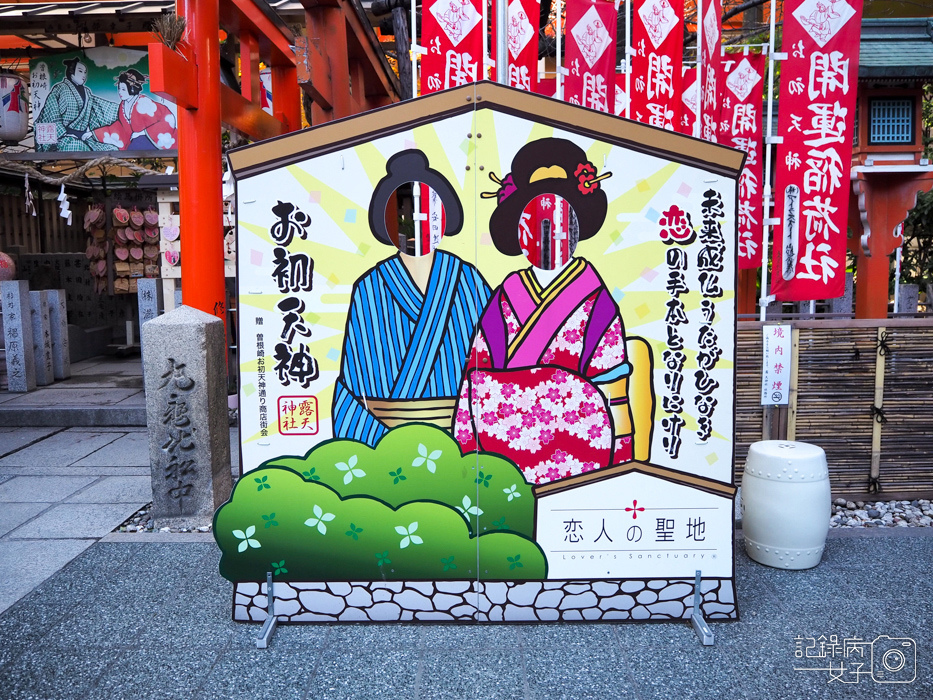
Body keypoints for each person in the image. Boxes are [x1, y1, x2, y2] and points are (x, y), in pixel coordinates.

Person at [453, 138, 635, 485]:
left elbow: (614, 390)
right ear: (520, 232)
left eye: (557, 222)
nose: (546, 233)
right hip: (501, 451)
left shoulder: (596, 301)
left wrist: (621, 461)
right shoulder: (506, 294)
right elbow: (476, 380)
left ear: (576, 227)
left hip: (578, 456)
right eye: (534, 223)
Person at [333, 150, 491, 446]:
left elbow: (493, 358)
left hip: (463, 435)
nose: (415, 221)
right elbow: (352, 384)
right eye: (404, 214)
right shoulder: (369, 287)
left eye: (424, 211)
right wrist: (380, 447)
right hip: (387, 440)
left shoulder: (468, 280)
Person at [35, 57, 118, 152]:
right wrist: (64, 133)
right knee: (78, 146)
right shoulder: (59, 89)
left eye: (85, 72)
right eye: (80, 71)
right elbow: (51, 114)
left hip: (82, 137)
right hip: (62, 138)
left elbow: (100, 106)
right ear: (71, 72)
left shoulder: (87, 93)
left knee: (112, 149)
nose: (84, 75)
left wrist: (121, 109)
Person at [94, 69, 177, 150]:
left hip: (155, 135)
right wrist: (95, 133)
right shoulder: (123, 105)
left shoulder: (143, 102)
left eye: (123, 89)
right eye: (119, 89)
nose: (120, 92)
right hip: (138, 138)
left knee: (134, 147)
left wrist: (140, 133)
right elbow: (121, 127)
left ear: (132, 89)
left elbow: (164, 118)